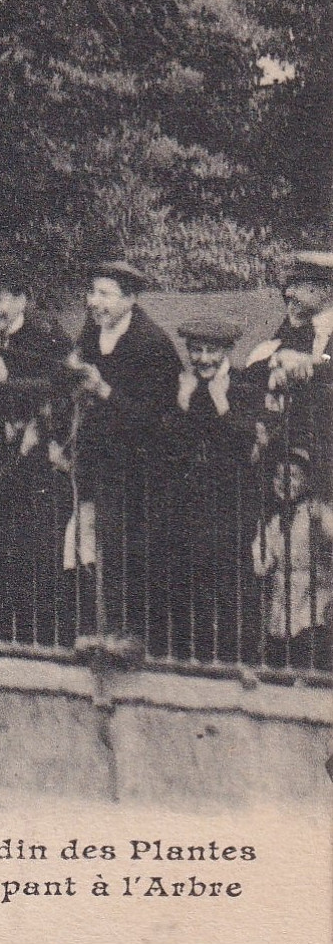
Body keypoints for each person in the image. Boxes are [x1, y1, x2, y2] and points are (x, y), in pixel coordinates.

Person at [63, 259, 182, 656]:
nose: (94, 302)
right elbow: (73, 367)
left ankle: (131, 634)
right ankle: (99, 628)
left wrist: (103, 390)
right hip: (101, 459)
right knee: (93, 538)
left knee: (130, 545)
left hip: (142, 463)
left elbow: (156, 415)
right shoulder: (93, 330)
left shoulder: (151, 344)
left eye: (105, 294)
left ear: (130, 299)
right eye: (92, 292)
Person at [0, 259, 72, 645]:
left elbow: (59, 389)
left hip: (35, 467)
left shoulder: (49, 337)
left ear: (22, 299)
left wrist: (7, 382)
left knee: (35, 554)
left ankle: (38, 641)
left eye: (1, 299)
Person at [164, 314, 261, 663]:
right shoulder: (183, 386)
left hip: (231, 503)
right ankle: (195, 660)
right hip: (190, 502)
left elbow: (245, 447)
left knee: (233, 585)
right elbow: (169, 446)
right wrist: (183, 402)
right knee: (189, 584)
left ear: (228, 351)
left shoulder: (244, 385)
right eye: (196, 350)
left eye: (212, 351)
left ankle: (244, 661)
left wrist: (222, 405)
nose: (203, 359)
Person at [240, 249, 333, 485]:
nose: (289, 293)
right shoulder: (297, 322)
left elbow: (322, 363)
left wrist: (314, 362)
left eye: (300, 285)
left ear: (325, 290)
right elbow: (261, 366)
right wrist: (276, 362)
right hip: (301, 447)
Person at [252, 444, 332, 672]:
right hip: (283, 604)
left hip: (314, 604)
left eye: (293, 476)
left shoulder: (318, 512)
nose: (284, 482)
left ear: (306, 481)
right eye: (278, 476)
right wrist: (262, 538)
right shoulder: (274, 520)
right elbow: (261, 567)